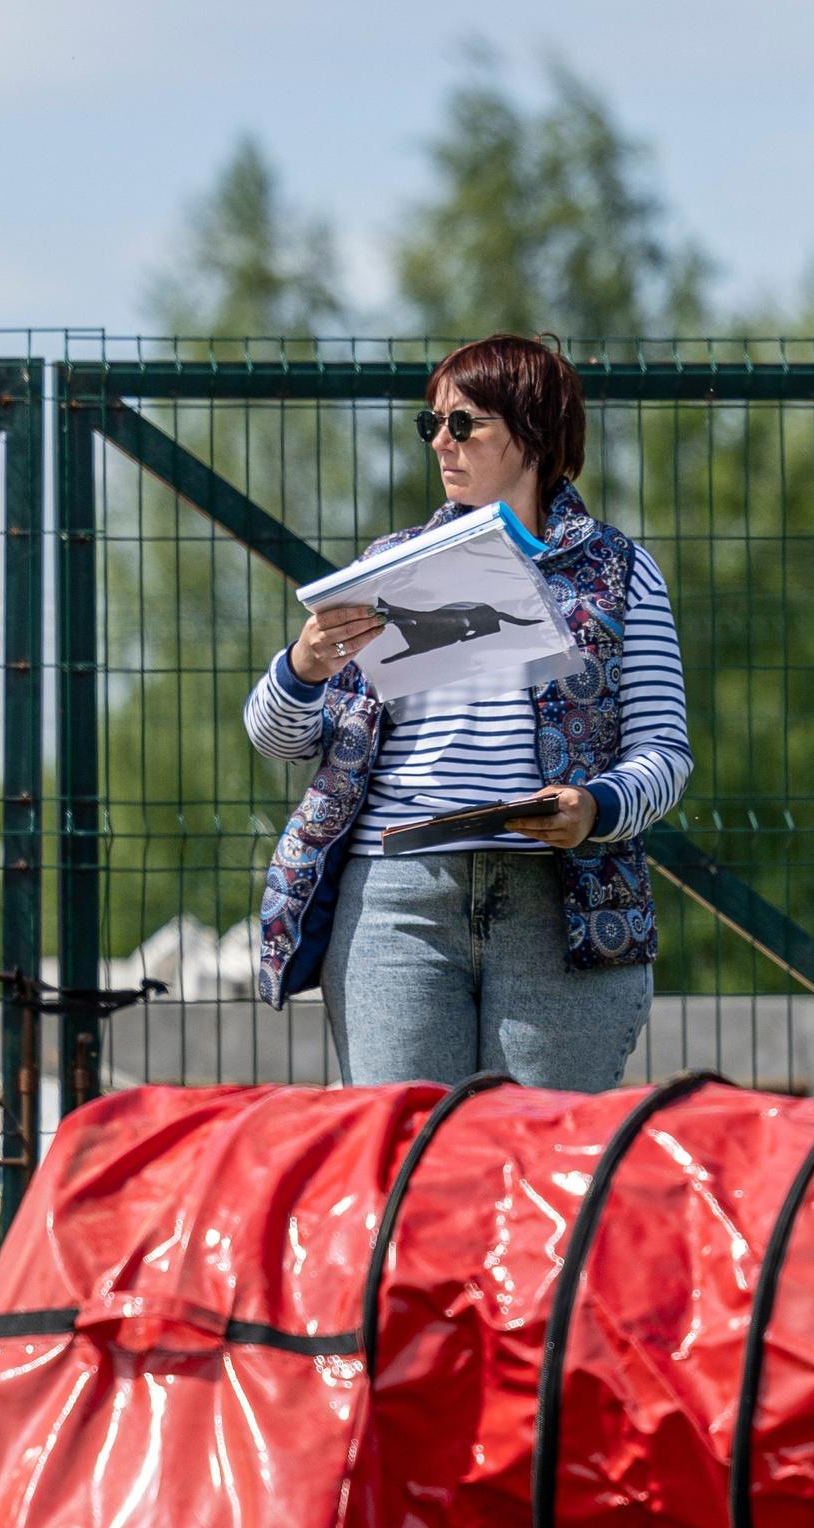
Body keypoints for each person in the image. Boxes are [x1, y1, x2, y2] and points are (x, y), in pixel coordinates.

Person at [248, 333, 691, 1091]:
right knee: (408, 1159)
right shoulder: (386, 567)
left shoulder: (620, 572)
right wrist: (305, 666)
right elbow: (279, 738)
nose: (442, 443)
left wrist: (596, 806)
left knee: (538, 1168)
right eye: (433, 425)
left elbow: (665, 754)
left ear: (537, 433)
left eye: (465, 423)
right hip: (394, 902)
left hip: (561, 903)